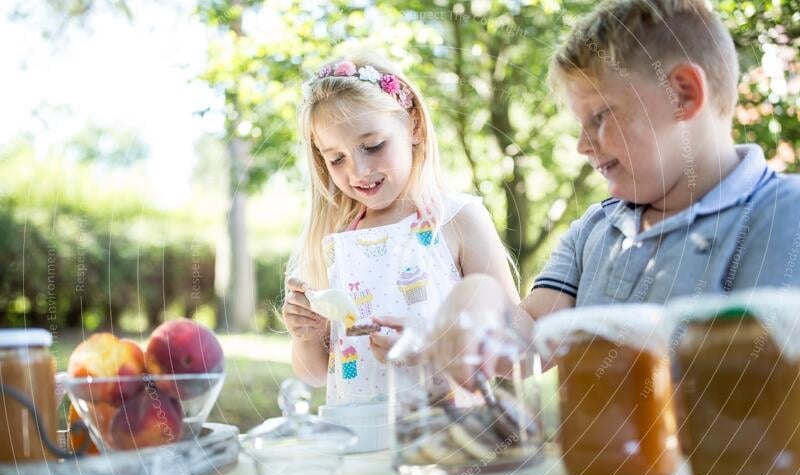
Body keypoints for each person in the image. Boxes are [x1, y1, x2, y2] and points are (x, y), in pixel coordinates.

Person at [431, 0, 800, 382]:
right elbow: (527, 343)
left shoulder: (781, 215)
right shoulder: (597, 227)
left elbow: (759, 391)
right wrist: (478, 301)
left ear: (684, 95)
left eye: (600, 116)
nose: (582, 145)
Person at [282, 53, 518, 404]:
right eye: (336, 159)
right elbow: (315, 373)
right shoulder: (336, 242)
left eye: (373, 146)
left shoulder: (457, 220)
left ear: (414, 128)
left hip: (447, 439)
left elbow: (514, 350)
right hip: (359, 441)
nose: (358, 170)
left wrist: (433, 346)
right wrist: (305, 336)